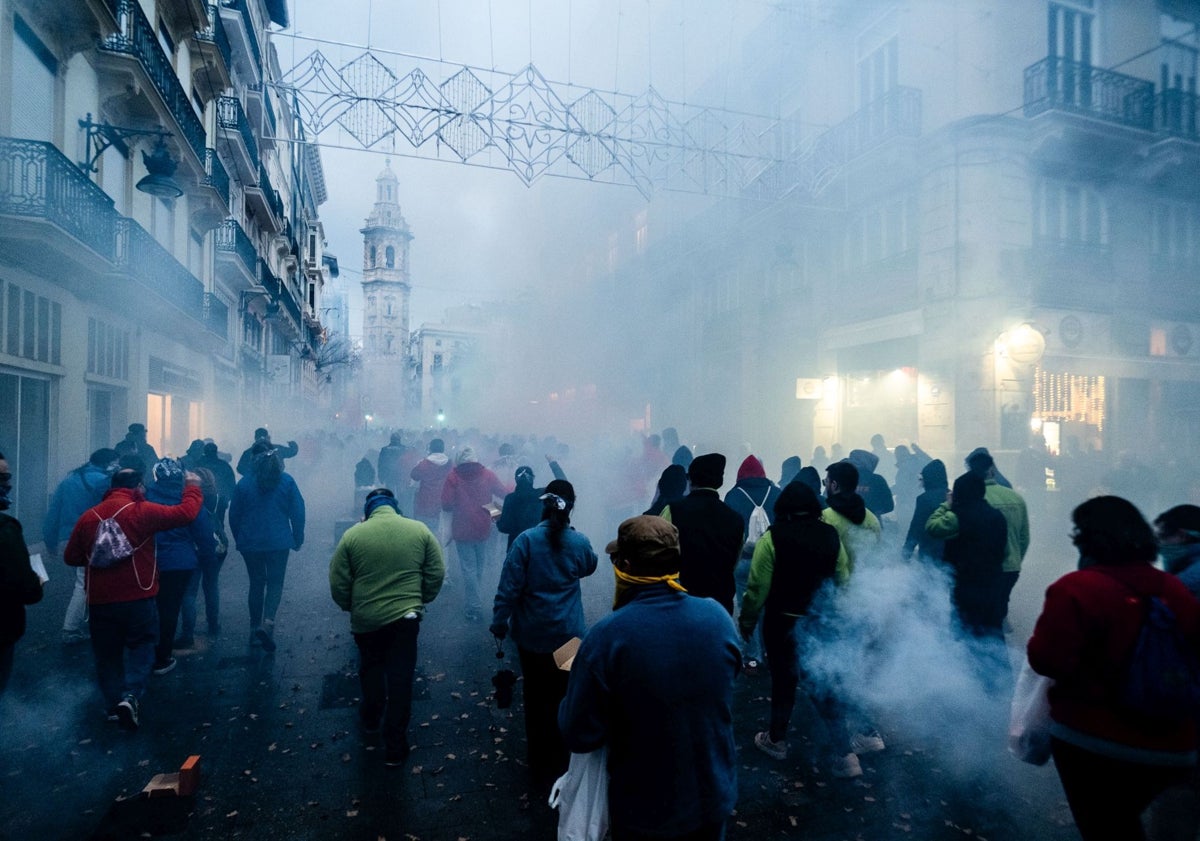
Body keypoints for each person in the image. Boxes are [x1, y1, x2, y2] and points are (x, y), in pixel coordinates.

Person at [559, 515, 740, 841]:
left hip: (645, 811)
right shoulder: (718, 617)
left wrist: (574, 691)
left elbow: (580, 733)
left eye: (616, 560)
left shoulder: (605, 638)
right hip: (713, 796)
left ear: (625, 565)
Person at [1028, 496, 1200, 840]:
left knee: (1106, 828)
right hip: (1172, 745)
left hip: (1092, 739)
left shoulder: (1075, 588)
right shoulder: (1175, 590)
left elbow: (1048, 660)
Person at [64, 466, 203, 730]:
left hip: (100, 601)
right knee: (141, 646)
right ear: (138, 486)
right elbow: (186, 513)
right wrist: (193, 487)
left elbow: (70, 557)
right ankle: (131, 696)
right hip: (138, 595)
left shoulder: (88, 518)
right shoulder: (143, 511)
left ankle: (112, 704)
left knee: (107, 655)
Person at [739, 482, 858, 777]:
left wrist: (747, 622)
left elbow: (757, 587)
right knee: (825, 683)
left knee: (783, 681)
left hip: (782, 622)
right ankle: (846, 754)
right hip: (820, 621)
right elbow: (843, 577)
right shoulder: (830, 535)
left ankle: (777, 740)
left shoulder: (772, 538)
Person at [490, 479, 598, 788]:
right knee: (565, 693)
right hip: (569, 637)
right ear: (571, 507)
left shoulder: (525, 541)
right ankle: (564, 757)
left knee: (536, 697)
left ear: (543, 504)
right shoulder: (578, 542)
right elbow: (589, 566)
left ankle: (539, 761)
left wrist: (500, 620)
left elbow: (508, 586)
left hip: (532, 638)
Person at [329, 488, 445, 767]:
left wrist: (351, 606)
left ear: (369, 510)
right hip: (406, 618)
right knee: (401, 678)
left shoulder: (353, 536)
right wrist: (421, 598)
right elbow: (436, 571)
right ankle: (395, 745)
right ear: (395, 507)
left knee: (371, 668)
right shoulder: (418, 530)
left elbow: (338, 582)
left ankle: (371, 718)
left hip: (367, 620)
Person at [229, 447, 305, 652]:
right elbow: (298, 511)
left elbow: (234, 515)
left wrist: (240, 539)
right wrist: (298, 537)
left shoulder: (244, 484)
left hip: (251, 542)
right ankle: (268, 621)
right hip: (279, 542)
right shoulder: (286, 481)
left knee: (256, 582)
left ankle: (254, 629)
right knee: (275, 582)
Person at [145, 459, 217, 674]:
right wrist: (208, 558)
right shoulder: (189, 500)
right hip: (180, 562)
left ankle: (145, 651)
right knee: (171, 608)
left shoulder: (145, 497)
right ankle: (163, 655)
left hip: (149, 560)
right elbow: (204, 533)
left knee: (150, 606)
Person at [43, 448, 116, 644]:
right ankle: (71, 627)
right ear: (108, 463)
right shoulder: (105, 482)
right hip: (92, 537)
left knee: (83, 580)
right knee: (85, 583)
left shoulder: (68, 481)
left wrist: (50, 541)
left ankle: (86, 621)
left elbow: (53, 513)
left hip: (68, 537)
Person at [925, 472, 1008, 638]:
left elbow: (932, 526)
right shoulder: (997, 516)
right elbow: (1004, 551)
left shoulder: (956, 516)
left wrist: (947, 505)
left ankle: (965, 662)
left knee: (964, 630)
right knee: (992, 631)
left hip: (965, 582)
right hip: (993, 581)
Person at [660, 453, 745, 615]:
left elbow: (659, 554)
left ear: (690, 480)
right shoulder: (736, 519)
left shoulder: (673, 510)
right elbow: (734, 562)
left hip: (681, 603)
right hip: (720, 606)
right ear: (719, 482)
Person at [724, 455, 781, 673]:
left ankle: (752, 656)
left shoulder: (733, 496)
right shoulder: (775, 493)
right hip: (772, 560)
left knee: (747, 605)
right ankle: (768, 650)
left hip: (744, 560)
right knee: (768, 605)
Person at [965, 449, 1030, 623]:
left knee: (985, 617)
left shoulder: (974, 497)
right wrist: (1016, 558)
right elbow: (1024, 537)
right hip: (1011, 565)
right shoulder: (1014, 495)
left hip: (986, 565)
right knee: (998, 605)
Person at [440, 447, 505, 621]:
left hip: (462, 527)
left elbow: (446, 504)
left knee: (468, 568)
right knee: (479, 566)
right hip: (484, 525)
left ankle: (474, 606)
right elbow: (503, 493)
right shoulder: (488, 475)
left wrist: (460, 505)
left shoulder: (453, 477)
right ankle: (475, 598)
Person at [0, 454, 44, 697]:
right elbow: (27, 588)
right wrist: (34, 585)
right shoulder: (6, 529)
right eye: (2, 478)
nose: (7, 484)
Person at [178, 466, 226, 644]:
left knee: (189, 591)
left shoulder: (186, 498)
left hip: (192, 545)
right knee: (211, 585)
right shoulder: (219, 498)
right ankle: (213, 623)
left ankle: (187, 632)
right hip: (216, 544)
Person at [495, 458, 567, 552]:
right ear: (532, 479)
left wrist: (495, 514)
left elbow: (504, 527)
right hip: (538, 545)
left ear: (516, 480)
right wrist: (553, 464)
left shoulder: (510, 499)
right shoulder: (542, 494)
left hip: (516, 547)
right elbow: (564, 485)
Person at [902, 459, 949, 563]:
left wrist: (906, 553)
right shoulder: (953, 496)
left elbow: (916, 528)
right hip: (951, 552)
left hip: (929, 551)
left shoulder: (924, 499)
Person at [410, 438, 452, 536]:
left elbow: (414, 475)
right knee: (441, 536)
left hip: (426, 504)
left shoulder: (424, 464)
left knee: (424, 535)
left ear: (430, 449)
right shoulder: (450, 464)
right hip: (444, 505)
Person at [846, 449, 894, 522]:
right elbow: (889, 506)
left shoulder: (843, 478)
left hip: (846, 523)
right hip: (873, 523)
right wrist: (874, 512)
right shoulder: (878, 480)